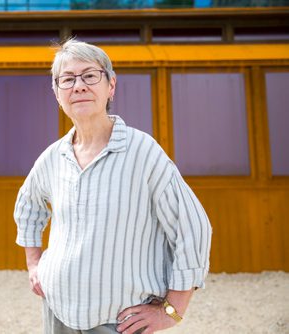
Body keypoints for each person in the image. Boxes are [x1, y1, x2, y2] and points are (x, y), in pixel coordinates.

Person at [14, 38, 212, 334]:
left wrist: (173, 309)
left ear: (111, 86)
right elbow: (28, 206)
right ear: (57, 93)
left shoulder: (143, 151)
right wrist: (34, 266)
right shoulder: (53, 157)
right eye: (67, 79)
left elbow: (192, 227)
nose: (78, 86)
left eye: (90, 75)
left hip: (119, 321)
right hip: (58, 311)